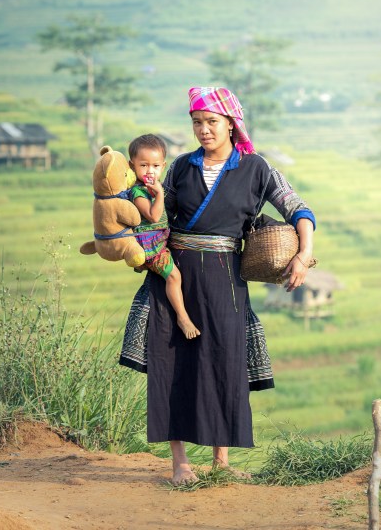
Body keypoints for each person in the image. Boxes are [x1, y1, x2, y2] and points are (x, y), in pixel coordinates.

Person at [120, 86, 315, 486]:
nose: (204, 130)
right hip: (176, 271)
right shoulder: (180, 167)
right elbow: (158, 215)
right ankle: (180, 465)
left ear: (231, 124)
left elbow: (298, 209)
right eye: (197, 123)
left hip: (226, 278)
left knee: (224, 361)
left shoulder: (256, 168)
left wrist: (303, 254)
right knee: (171, 364)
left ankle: (221, 462)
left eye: (211, 122)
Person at [127, 134, 200, 340]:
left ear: (163, 166)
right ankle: (182, 317)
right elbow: (153, 216)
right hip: (151, 248)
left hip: (160, 242)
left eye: (156, 166)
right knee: (174, 277)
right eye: (144, 165)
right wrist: (159, 194)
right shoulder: (138, 192)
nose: (150, 171)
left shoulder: (150, 188)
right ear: (132, 166)